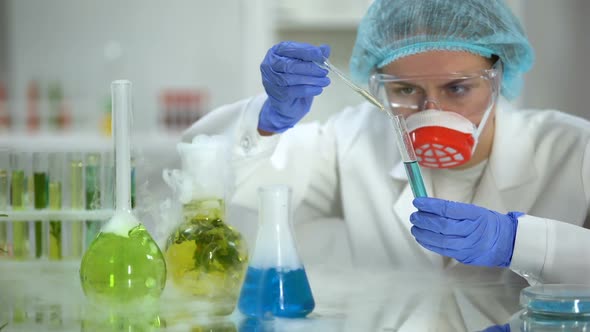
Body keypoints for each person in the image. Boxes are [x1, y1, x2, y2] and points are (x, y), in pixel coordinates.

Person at [184, 0, 590, 286]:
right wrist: (268, 121)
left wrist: (521, 243)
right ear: (377, 85)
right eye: (405, 89)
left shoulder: (572, 148)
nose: (432, 109)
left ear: (499, 76)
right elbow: (207, 171)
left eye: (458, 88)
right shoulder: (353, 141)